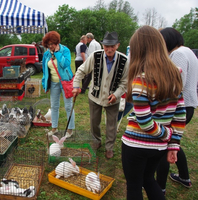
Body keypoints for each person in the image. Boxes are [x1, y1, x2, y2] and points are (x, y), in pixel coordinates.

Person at [121, 25, 186, 200]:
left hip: (136, 144)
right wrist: (173, 143)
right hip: (158, 148)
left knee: (134, 187)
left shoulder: (141, 80)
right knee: (149, 180)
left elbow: (144, 120)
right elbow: (180, 114)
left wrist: (166, 135)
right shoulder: (175, 75)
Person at [72, 31, 129, 159]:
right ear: (103, 45)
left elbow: (125, 83)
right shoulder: (95, 56)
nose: (109, 49)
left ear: (117, 45)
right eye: (106, 46)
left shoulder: (124, 60)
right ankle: (96, 141)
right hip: (95, 96)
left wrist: (116, 94)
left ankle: (109, 147)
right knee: (94, 122)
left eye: (112, 46)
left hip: (112, 99)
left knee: (111, 125)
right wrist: (76, 86)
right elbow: (81, 70)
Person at [156, 27, 198, 193]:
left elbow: (175, 84)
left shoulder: (178, 54)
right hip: (187, 105)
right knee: (173, 142)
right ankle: (184, 177)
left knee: (164, 146)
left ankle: (160, 188)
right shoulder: (188, 52)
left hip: (179, 106)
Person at [41, 31, 75, 138]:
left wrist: (57, 53)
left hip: (65, 82)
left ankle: (70, 130)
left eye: (52, 44)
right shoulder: (46, 54)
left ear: (57, 42)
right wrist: (44, 83)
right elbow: (44, 69)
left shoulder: (65, 50)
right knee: (54, 106)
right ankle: (54, 128)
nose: (50, 46)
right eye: (48, 44)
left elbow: (65, 64)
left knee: (68, 106)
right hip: (53, 83)